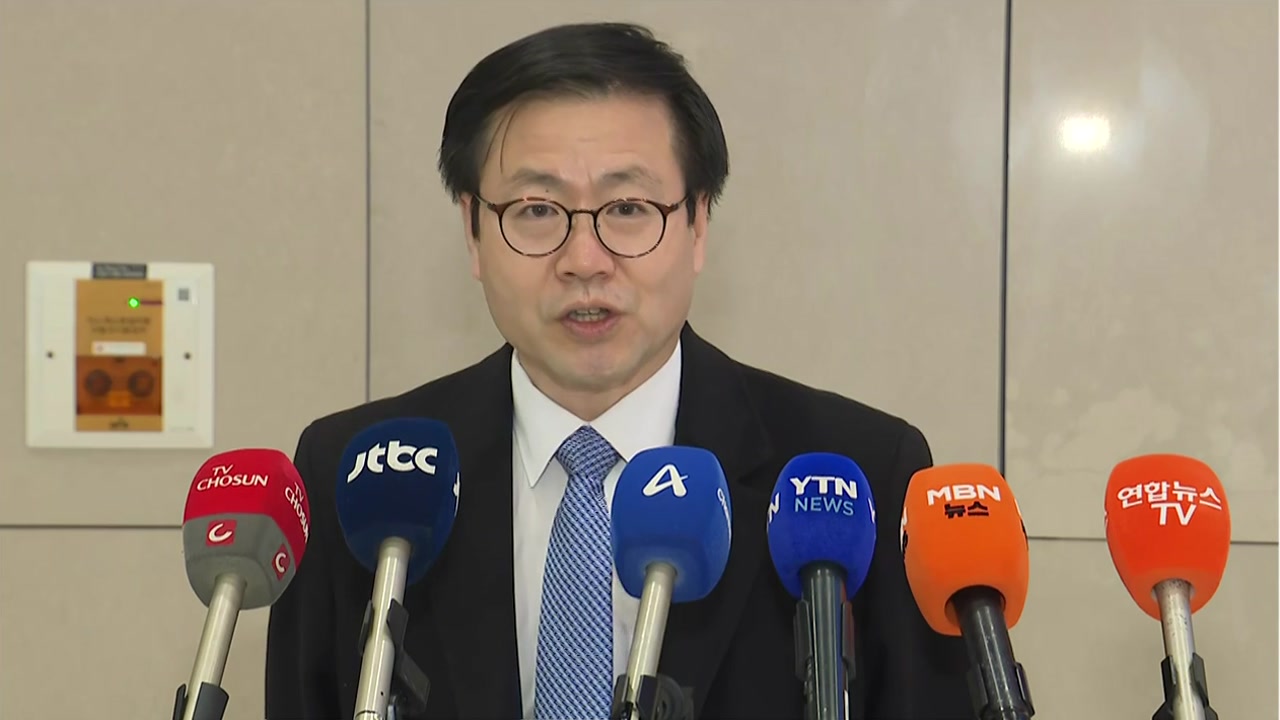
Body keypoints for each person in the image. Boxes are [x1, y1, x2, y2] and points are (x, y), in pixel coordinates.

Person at [265, 21, 972, 720]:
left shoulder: (861, 476)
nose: (584, 259)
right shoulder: (352, 478)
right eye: (537, 210)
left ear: (698, 223)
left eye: (629, 208)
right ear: (472, 231)